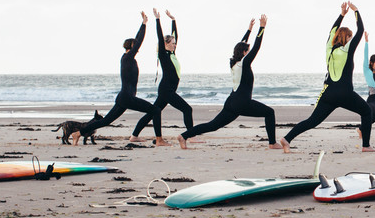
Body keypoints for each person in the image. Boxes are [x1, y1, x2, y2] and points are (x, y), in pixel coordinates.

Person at [279, 2, 375, 152]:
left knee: (312, 121)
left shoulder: (329, 48)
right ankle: (366, 146)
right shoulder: (346, 49)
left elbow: (332, 30)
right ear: (347, 38)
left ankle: (287, 139)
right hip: (345, 93)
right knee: (366, 111)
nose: (351, 39)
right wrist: (356, 11)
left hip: (328, 93)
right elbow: (361, 30)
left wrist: (342, 15)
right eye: (349, 37)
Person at [179, 15, 279, 149]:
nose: (249, 52)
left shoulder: (233, 63)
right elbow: (256, 47)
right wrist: (261, 28)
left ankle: (184, 136)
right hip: (242, 102)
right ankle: (272, 143)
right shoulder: (244, 63)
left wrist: (249, 30)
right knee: (269, 112)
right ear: (244, 53)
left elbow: (241, 44)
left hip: (231, 102)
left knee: (213, 125)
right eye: (247, 51)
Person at [76, 11, 157, 143]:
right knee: (154, 110)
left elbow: (136, 41)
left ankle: (78, 133)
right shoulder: (128, 58)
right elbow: (139, 41)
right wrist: (144, 24)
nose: (138, 48)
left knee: (106, 121)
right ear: (131, 46)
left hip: (124, 97)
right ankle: (142, 137)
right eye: (135, 45)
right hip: (127, 97)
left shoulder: (127, 58)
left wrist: (142, 25)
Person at [131, 8, 194, 146]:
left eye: (175, 43)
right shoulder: (163, 55)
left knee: (152, 112)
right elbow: (160, 37)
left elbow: (175, 35)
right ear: (166, 44)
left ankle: (134, 135)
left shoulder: (172, 53)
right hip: (167, 90)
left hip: (167, 89)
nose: (175, 44)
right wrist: (158, 20)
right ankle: (191, 134)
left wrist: (173, 20)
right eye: (172, 43)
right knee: (187, 109)